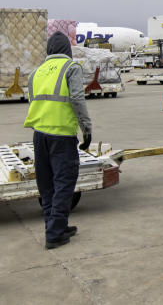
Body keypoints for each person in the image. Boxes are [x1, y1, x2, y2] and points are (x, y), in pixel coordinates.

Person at [23, 32, 93, 249]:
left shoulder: (36, 73)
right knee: (64, 182)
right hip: (61, 136)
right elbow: (77, 99)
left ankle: (55, 226)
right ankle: (54, 234)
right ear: (67, 51)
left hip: (39, 135)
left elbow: (33, 101)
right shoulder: (71, 68)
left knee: (47, 185)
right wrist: (86, 129)